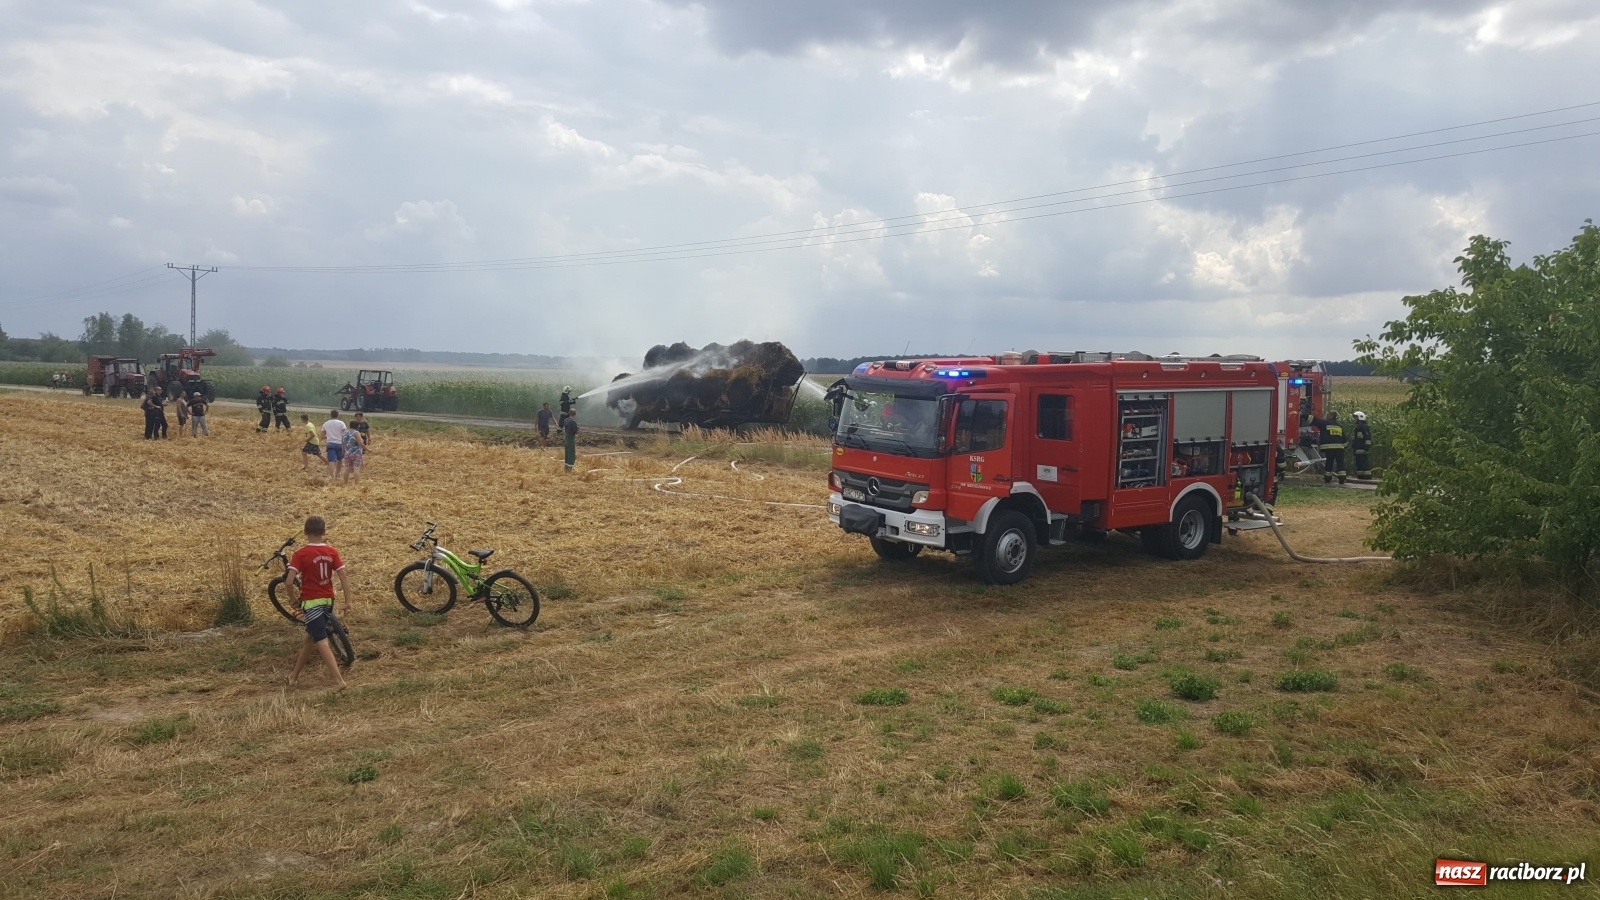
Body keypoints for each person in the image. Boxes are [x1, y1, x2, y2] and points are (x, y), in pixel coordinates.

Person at [285, 515, 350, 691]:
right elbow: (343, 576)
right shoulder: (331, 551)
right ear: (324, 531)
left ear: (305, 532)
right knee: (310, 638)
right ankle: (294, 676)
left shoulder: (300, 554)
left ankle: (338, 681)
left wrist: (292, 599)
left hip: (311, 603)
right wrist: (348, 601)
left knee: (321, 641)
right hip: (328, 600)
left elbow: (289, 581)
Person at [1311, 410, 1347, 485]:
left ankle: (1328, 478)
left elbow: (1315, 421)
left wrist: (1303, 415)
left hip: (1329, 448)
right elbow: (1345, 440)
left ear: (1331, 416)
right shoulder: (1339, 426)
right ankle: (1342, 479)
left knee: (1329, 462)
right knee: (1340, 463)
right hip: (1340, 448)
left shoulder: (1325, 423)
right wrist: (1344, 448)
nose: (1326, 416)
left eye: (1328, 414)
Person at [321, 410, 347, 478]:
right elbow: (344, 434)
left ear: (331, 415)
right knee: (340, 460)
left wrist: (329, 436)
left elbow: (322, 436)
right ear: (337, 415)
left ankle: (332, 477)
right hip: (339, 443)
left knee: (331, 461)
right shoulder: (341, 423)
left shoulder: (326, 423)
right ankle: (337, 474)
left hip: (330, 443)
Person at [1351, 411, 1373, 479]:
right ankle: (1360, 476)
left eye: (1356, 418)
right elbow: (1357, 438)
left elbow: (1367, 437)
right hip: (1358, 449)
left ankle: (1367, 476)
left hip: (1362, 448)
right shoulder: (1358, 427)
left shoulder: (1363, 426)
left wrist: (1366, 447)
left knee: (1364, 462)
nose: (1355, 419)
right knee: (1359, 463)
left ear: (1360, 418)